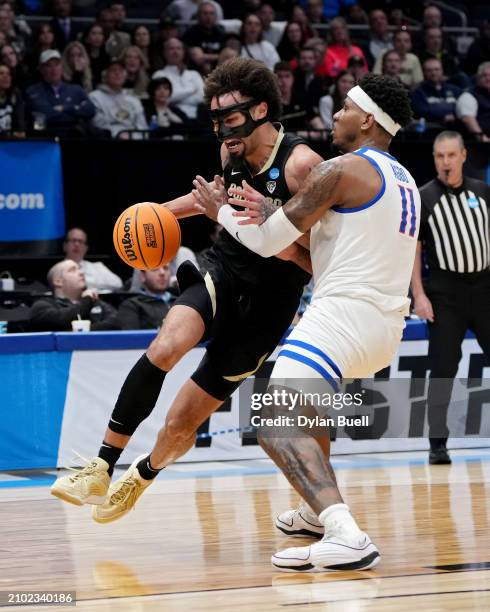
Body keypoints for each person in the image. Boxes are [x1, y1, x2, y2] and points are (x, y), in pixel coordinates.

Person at [50, 58, 322, 530]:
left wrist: (261, 228)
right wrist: (154, 213)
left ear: (261, 109)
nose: (222, 130)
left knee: (181, 422)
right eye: (215, 121)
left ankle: (142, 474)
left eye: (231, 118)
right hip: (225, 271)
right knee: (165, 346)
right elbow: (208, 202)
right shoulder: (230, 155)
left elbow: (316, 260)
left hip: (271, 306)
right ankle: (100, 467)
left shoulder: (302, 166)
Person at [196, 73, 418, 572]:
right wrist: (270, 211)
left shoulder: (341, 170)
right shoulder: (403, 179)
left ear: (366, 119)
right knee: (306, 412)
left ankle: (346, 534)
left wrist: (224, 214)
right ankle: (316, 516)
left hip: (344, 313)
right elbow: (316, 248)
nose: (335, 115)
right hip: (383, 324)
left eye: (343, 108)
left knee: (275, 421)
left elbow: (270, 242)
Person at [410, 131, 490, 465]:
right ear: (434, 158)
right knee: (442, 369)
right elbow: (414, 249)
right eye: (440, 156)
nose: (446, 162)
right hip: (446, 293)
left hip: (485, 288)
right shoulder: (424, 197)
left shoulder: (483, 192)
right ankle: (437, 444)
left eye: (451, 155)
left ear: (463, 155)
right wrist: (419, 294)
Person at [30, 259, 121, 332]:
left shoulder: (95, 302)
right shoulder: (42, 306)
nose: (81, 273)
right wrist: (86, 300)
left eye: (79, 269)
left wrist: (80, 331)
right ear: (58, 281)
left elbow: (117, 322)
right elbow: (61, 319)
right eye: (72, 270)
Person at [26, 49, 96, 133]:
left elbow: (90, 110)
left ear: (62, 67)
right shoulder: (34, 91)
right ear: (41, 69)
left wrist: (65, 108)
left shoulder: (76, 89)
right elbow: (46, 115)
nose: (54, 69)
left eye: (57, 64)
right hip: (48, 138)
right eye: (49, 65)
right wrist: (77, 115)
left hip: (75, 137)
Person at [89, 59, 148, 138]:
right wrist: (119, 134)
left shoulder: (133, 100)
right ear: (105, 75)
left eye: (121, 70)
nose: (117, 73)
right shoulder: (95, 97)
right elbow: (98, 124)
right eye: (113, 70)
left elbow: (142, 127)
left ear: (125, 75)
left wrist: (133, 137)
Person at [152, 38, 204, 121]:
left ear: (183, 52)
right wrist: (192, 90)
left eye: (178, 48)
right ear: (164, 53)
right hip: (173, 119)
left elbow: (202, 97)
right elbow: (164, 98)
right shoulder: (159, 74)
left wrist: (176, 99)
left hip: (198, 119)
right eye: (171, 48)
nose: (175, 52)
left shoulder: (194, 74)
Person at [63, 227, 123, 292]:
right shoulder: (57, 269)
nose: (77, 244)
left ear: (86, 248)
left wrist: (85, 282)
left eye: (80, 241)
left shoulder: (97, 266)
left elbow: (118, 284)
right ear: (65, 246)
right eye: (73, 240)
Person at [118, 265, 174, 330]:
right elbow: (132, 338)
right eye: (155, 269)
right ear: (143, 276)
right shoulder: (131, 306)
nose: (162, 273)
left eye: (166, 268)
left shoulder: (182, 301)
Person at [411, 58, 460, 126]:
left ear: (442, 70)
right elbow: (423, 112)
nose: (433, 73)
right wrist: (443, 117)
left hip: (455, 128)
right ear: (424, 72)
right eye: (429, 70)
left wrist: (455, 116)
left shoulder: (455, 89)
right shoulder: (418, 92)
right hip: (430, 130)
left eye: (436, 69)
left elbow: (462, 109)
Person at [182, 1, 225, 73]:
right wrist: (219, 56)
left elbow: (228, 55)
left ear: (216, 17)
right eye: (205, 13)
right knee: (206, 66)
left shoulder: (221, 33)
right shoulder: (190, 34)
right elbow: (197, 58)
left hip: (219, 69)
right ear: (198, 16)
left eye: (211, 13)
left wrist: (205, 57)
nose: (208, 17)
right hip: (196, 72)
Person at [456, 61, 490, 142]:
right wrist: (482, 138)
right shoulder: (468, 96)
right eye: (484, 75)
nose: (488, 78)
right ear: (478, 78)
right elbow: (467, 119)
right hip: (478, 145)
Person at [0, 62, 25, 135]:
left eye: (8, 74)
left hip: (10, 142)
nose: (6, 76)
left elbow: (20, 125)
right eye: (1, 73)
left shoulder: (16, 95)